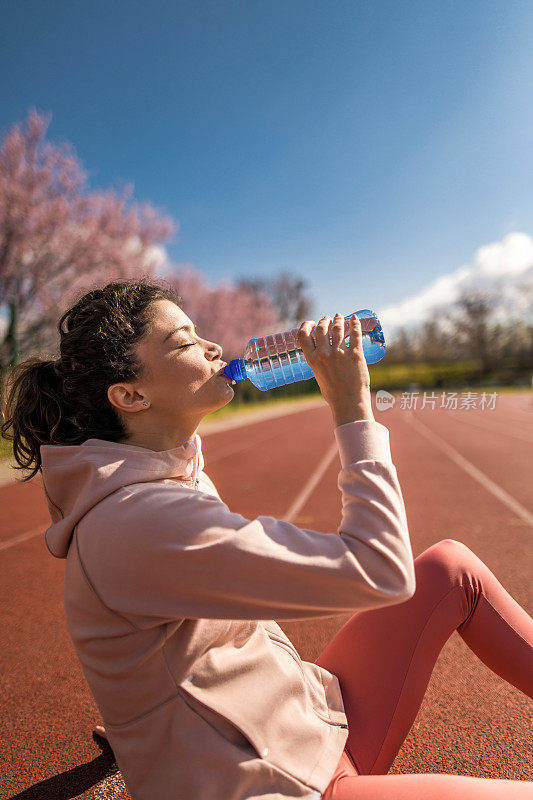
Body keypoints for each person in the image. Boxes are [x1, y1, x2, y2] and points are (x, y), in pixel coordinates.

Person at [1, 279, 532, 800]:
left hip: (304, 722)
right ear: (131, 396)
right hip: (278, 782)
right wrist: (352, 408)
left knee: (449, 569)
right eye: (185, 342)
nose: (213, 348)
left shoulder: (164, 473)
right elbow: (380, 571)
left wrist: (141, 712)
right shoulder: (139, 522)